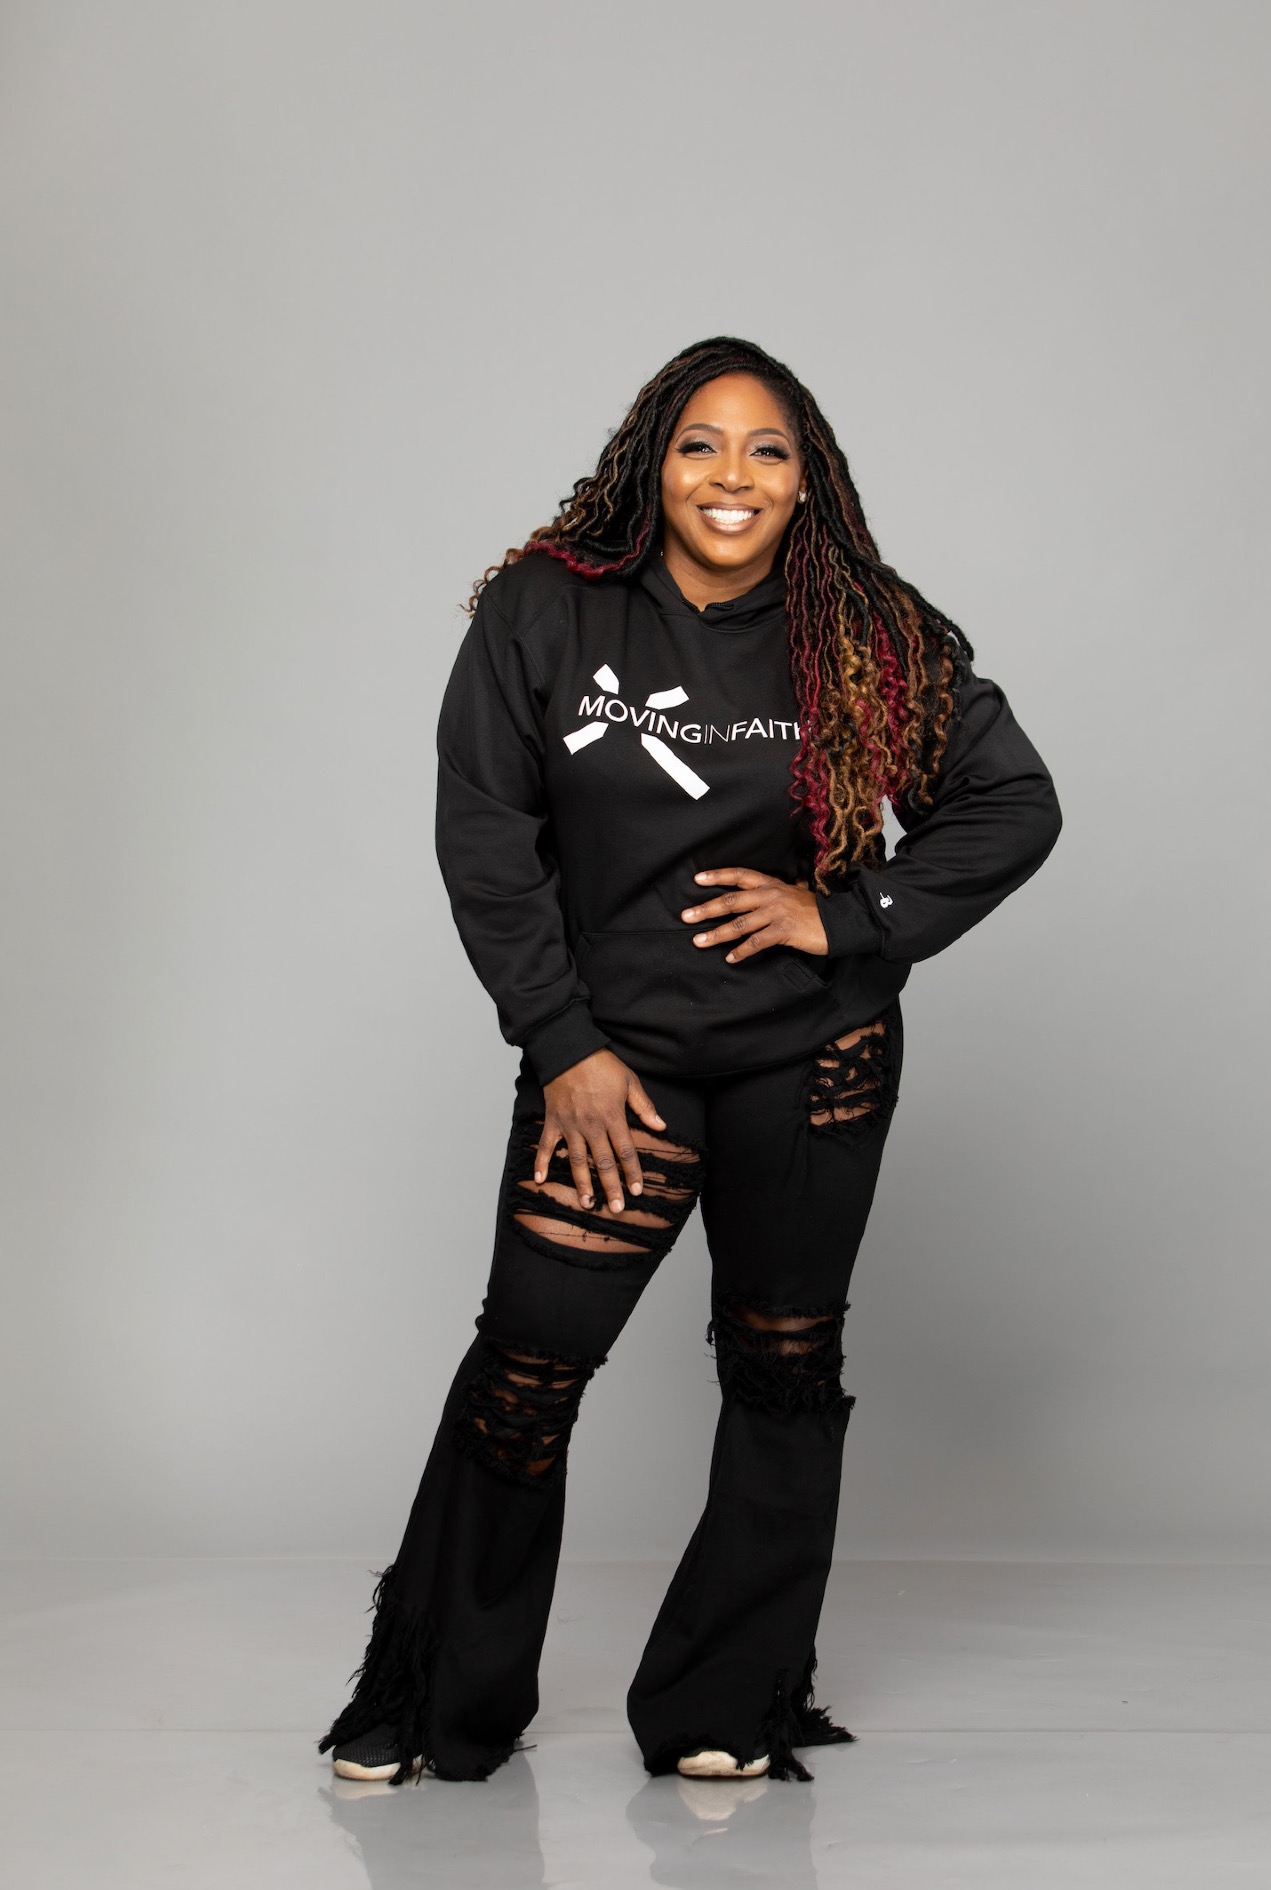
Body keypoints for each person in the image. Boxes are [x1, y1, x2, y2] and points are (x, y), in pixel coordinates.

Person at [319, 336, 1062, 1787]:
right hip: (615, 1067)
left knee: (783, 1362)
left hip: (815, 1058)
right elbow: (487, 840)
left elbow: (1011, 802)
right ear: (651, 465)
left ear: (808, 481)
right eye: (701, 445)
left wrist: (849, 917)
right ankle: (436, 1699)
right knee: (528, 1367)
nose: (734, 476)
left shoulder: (869, 631)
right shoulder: (546, 607)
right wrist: (562, 1045)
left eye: (768, 450)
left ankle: (727, 1702)